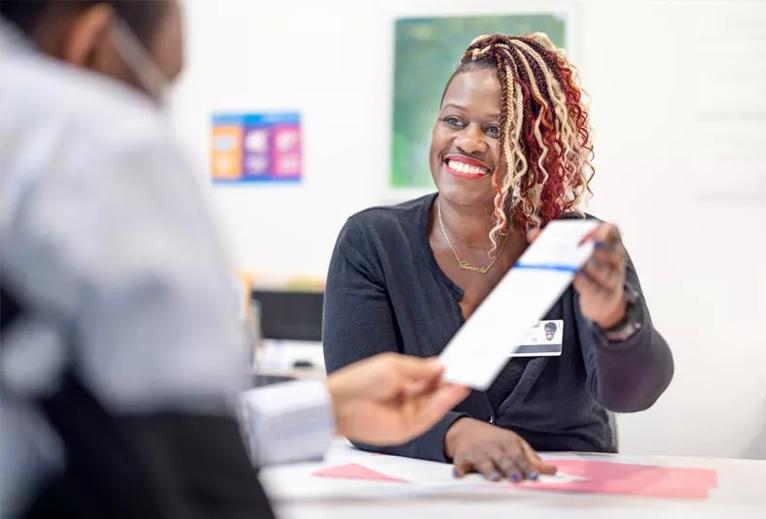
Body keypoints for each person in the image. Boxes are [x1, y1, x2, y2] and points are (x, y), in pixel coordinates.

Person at [0, 2, 468, 517]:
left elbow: (96, 428)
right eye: (160, 87)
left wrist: (328, 408)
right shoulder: (93, 142)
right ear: (89, 44)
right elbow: (190, 468)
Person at [323, 33, 674, 482]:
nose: (467, 142)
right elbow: (361, 405)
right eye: (454, 121)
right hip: (428, 489)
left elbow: (634, 394)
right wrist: (457, 435)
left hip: (562, 489)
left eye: (494, 130)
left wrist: (615, 321)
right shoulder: (374, 242)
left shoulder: (578, 246)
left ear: (533, 145)